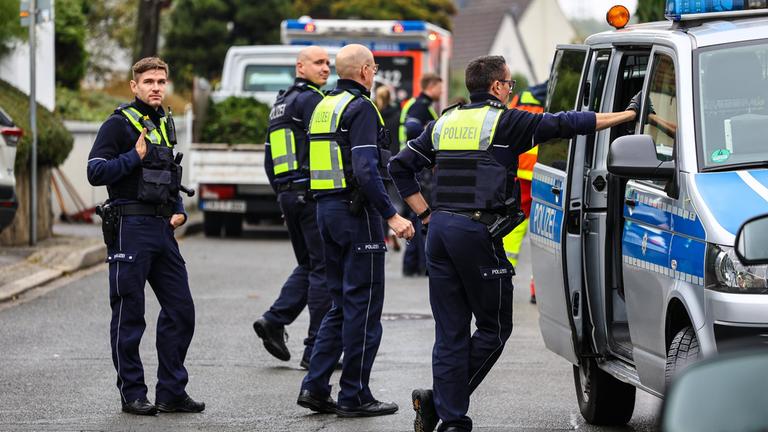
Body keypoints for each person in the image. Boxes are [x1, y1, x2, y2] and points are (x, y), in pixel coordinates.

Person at [388, 55, 638, 432]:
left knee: (450, 332)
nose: (511, 91)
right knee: (493, 329)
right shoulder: (505, 120)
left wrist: (425, 215)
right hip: (475, 234)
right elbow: (569, 123)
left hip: (439, 233)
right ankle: (442, 405)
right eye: (509, 85)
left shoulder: (444, 122)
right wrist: (627, 117)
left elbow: (398, 167)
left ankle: (450, 416)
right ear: (496, 87)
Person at [296, 43, 414, 418]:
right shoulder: (361, 108)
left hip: (325, 212)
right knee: (363, 309)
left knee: (339, 305)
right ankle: (354, 395)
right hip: (356, 215)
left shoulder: (323, 107)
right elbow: (365, 169)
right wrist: (391, 216)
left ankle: (315, 388)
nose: (375, 72)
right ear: (364, 71)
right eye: (374, 67)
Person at [87, 57, 204, 416]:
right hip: (129, 228)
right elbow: (95, 171)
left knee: (181, 309)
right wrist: (132, 157)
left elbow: (167, 173)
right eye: (149, 81)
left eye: (161, 81)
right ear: (134, 86)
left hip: (161, 230)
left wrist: (178, 207)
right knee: (130, 313)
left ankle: (171, 391)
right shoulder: (118, 125)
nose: (156, 86)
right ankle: (133, 394)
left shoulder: (164, 124)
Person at [254, 46, 333, 369]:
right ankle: (315, 349)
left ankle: (274, 320)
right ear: (300, 67)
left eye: (328, 63)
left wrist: (282, 195)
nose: (326, 68)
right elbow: (328, 145)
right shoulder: (313, 100)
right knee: (324, 269)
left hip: (289, 193)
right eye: (319, 63)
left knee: (309, 265)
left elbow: (268, 159)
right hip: (311, 193)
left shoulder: (281, 103)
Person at [504, 81, 547, 304]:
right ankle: (537, 288)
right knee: (544, 234)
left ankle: (502, 277)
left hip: (521, 168)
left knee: (515, 226)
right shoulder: (556, 98)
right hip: (546, 170)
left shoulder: (522, 97)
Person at [398, 73, 443, 276]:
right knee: (421, 217)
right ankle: (419, 265)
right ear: (431, 86)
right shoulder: (420, 106)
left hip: (411, 166)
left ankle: (413, 265)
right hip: (416, 169)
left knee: (415, 217)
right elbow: (412, 129)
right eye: (439, 87)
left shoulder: (420, 104)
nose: (441, 91)